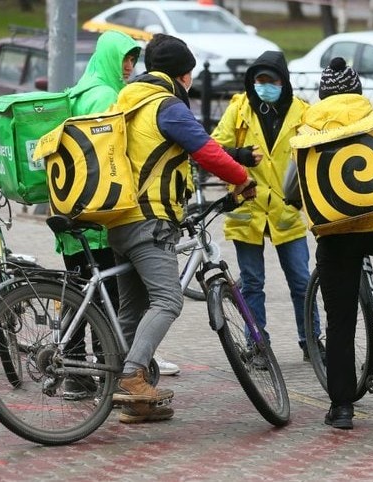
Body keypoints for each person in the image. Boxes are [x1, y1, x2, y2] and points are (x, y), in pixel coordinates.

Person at [108, 34, 255, 424]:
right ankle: (131, 377)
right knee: (168, 301)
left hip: (120, 218)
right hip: (150, 220)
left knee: (132, 310)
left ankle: (133, 400)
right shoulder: (166, 105)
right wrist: (241, 178)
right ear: (183, 74)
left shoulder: (126, 100)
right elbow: (206, 150)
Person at [285, 57, 373, 430]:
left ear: (322, 95)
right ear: (358, 91)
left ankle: (342, 407)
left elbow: (290, 186)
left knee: (341, 320)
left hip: (336, 236)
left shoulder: (307, 128)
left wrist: (294, 200)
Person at [211, 51, 319, 362]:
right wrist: (240, 155)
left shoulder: (302, 113)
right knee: (252, 283)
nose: (264, 86)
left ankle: (311, 342)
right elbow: (213, 148)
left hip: (287, 210)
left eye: (271, 81)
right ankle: (257, 345)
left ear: (284, 82)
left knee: (302, 282)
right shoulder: (239, 109)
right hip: (248, 209)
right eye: (259, 80)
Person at [59, 30, 142, 401]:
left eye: (133, 59)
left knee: (78, 293)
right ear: (110, 57)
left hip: (71, 207)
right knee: (107, 299)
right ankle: (105, 372)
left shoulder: (79, 90)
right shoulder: (106, 96)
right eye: (125, 58)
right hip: (99, 212)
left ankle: (74, 373)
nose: (129, 66)